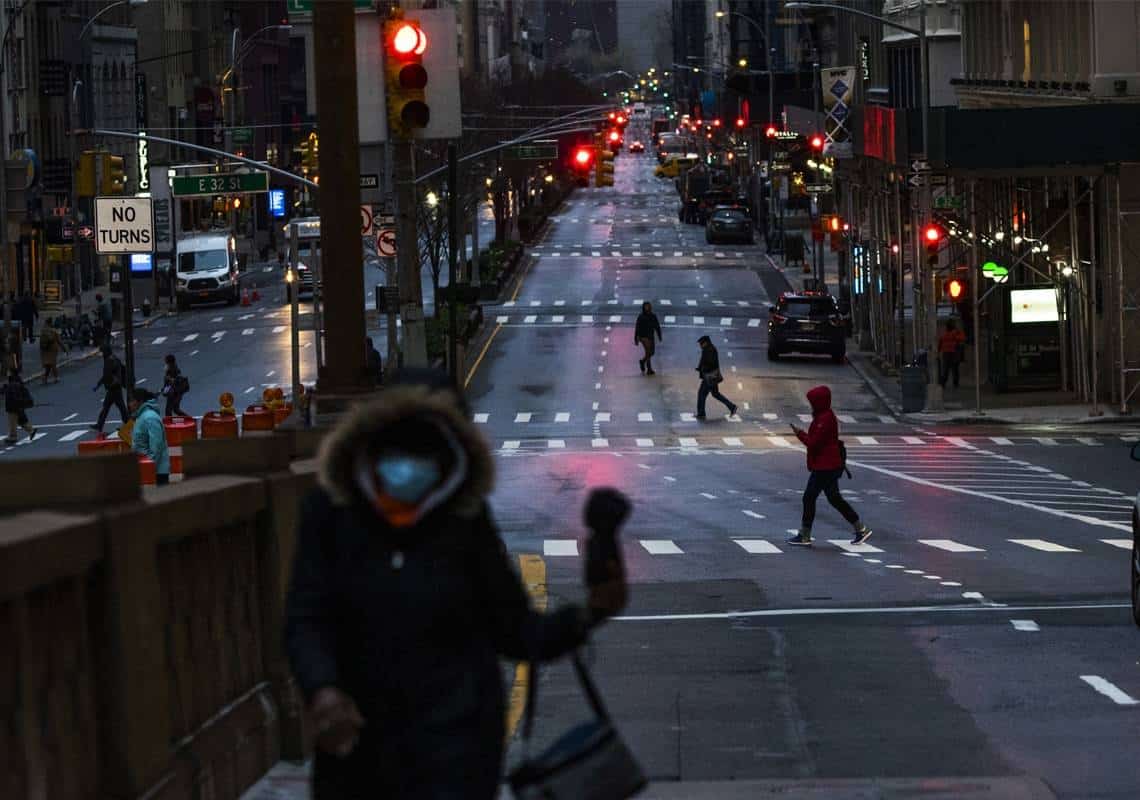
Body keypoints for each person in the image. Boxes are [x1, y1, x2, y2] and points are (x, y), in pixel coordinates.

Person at [284, 368, 630, 799]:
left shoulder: (464, 517)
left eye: (429, 444)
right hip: (357, 748)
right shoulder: (330, 511)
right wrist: (323, 690)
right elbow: (306, 616)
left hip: (458, 751)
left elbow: (514, 630)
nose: (412, 460)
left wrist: (589, 615)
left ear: (453, 447)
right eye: (403, 441)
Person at [787, 385, 871, 547]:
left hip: (825, 466)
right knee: (834, 498)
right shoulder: (824, 416)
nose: (811, 405)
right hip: (829, 465)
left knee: (809, 497)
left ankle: (805, 534)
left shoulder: (825, 419)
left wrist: (800, 434)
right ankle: (860, 528)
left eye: (813, 402)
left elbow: (813, 443)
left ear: (819, 402)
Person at [128, 387, 171, 485]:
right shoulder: (141, 416)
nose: (129, 404)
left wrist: (148, 467)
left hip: (156, 472)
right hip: (147, 467)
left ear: (140, 401)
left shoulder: (150, 418)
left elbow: (156, 447)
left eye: (131, 401)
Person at [695, 334, 737, 419]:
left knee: (701, 394)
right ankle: (732, 407)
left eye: (701, 343)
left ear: (705, 343)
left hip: (709, 376)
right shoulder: (708, 349)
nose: (700, 345)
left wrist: (703, 368)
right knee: (715, 394)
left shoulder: (709, 350)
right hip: (711, 376)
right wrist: (700, 368)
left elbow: (710, 363)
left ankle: (701, 413)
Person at [92, 345, 128, 433]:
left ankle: (128, 423)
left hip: (114, 387)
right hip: (114, 387)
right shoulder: (114, 358)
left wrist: (99, 384)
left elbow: (107, 375)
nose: (101, 354)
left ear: (106, 352)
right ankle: (99, 424)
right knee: (108, 406)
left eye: (102, 352)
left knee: (119, 407)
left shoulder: (110, 360)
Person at [4, 370, 37, 444]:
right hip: (18, 405)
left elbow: (13, 396)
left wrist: (15, 404)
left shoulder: (13, 384)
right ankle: (31, 430)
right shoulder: (17, 382)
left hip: (13, 406)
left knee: (12, 421)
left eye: (8, 372)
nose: (7, 373)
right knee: (21, 420)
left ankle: (13, 437)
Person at [634, 301, 663, 375]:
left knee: (652, 352)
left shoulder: (653, 316)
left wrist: (659, 335)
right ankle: (649, 369)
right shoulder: (641, 316)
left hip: (651, 336)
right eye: (646, 306)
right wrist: (636, 338)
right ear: (643, 307)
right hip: (643, 337)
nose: (647, 308)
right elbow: (637, 327)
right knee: (648, 351)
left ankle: (642, 361)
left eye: (648, 306)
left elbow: (657, 326)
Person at [938, 319, 966, 390]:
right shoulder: (952, 332)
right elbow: (940, 341)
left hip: (951, 353)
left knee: (949, 369)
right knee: (951, 369)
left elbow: (962, 338)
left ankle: (948, 383)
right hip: (950, 353)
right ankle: (950, 383)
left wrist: (938, 350)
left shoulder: (951, 332)